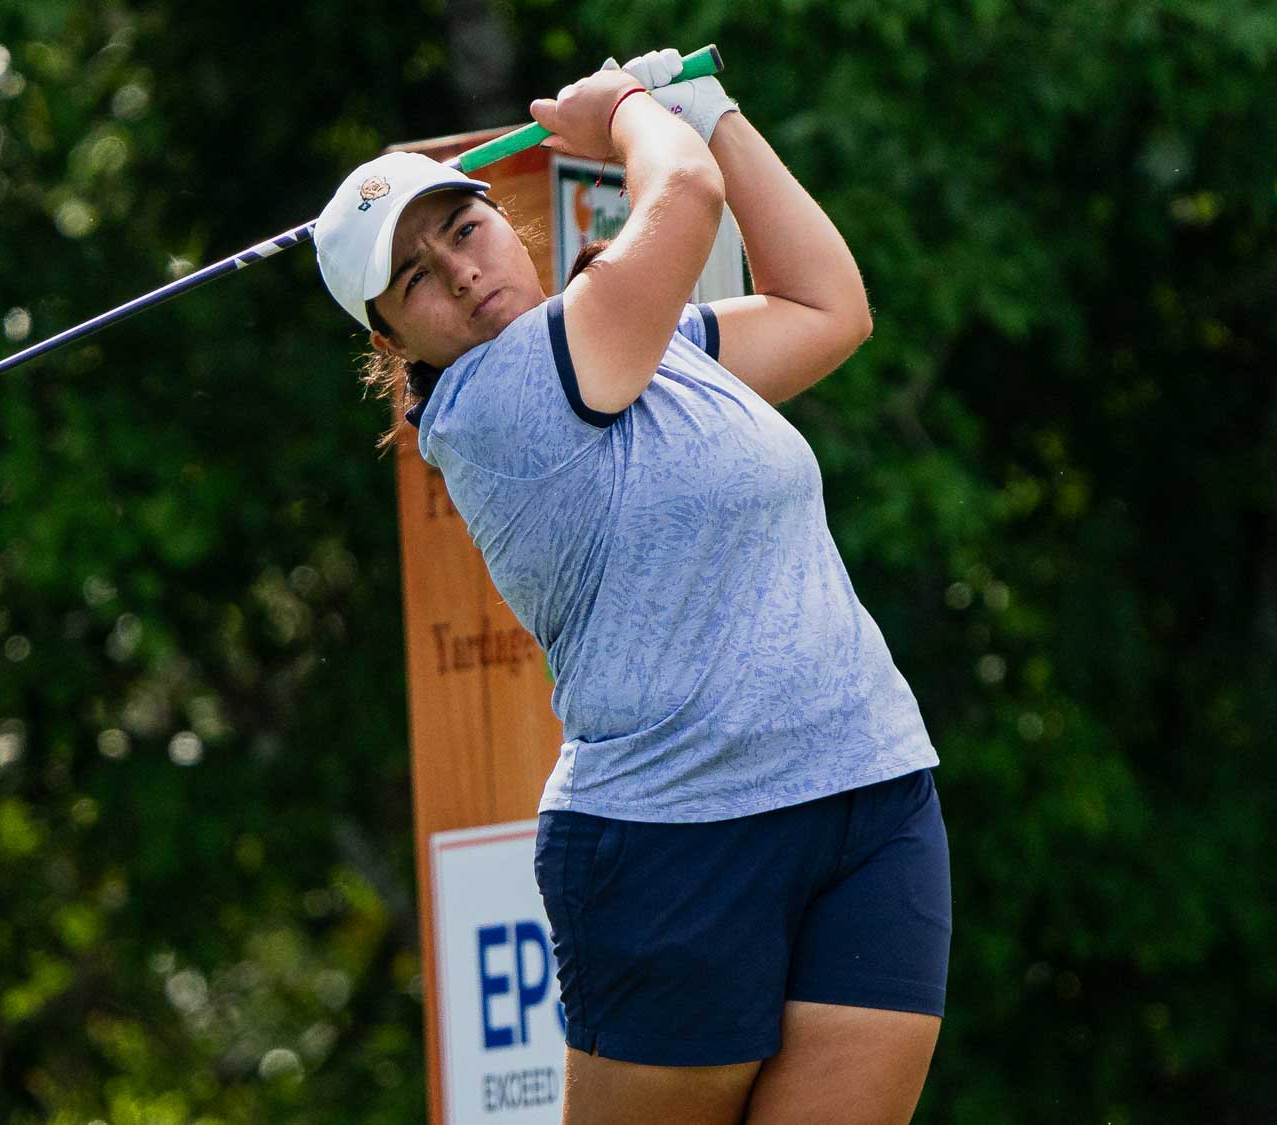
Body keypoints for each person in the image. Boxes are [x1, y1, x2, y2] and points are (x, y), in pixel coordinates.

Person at [312, 49, 951, 1125]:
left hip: (867, 795)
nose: (462, 275)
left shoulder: (639, 343)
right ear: (393, 338)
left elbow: (824, 307)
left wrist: (712, 110)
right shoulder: (496, 401)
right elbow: (684, 194)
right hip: (673, 847)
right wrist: (625, 116)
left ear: (499, 225)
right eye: (415, 277)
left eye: (461, 233)